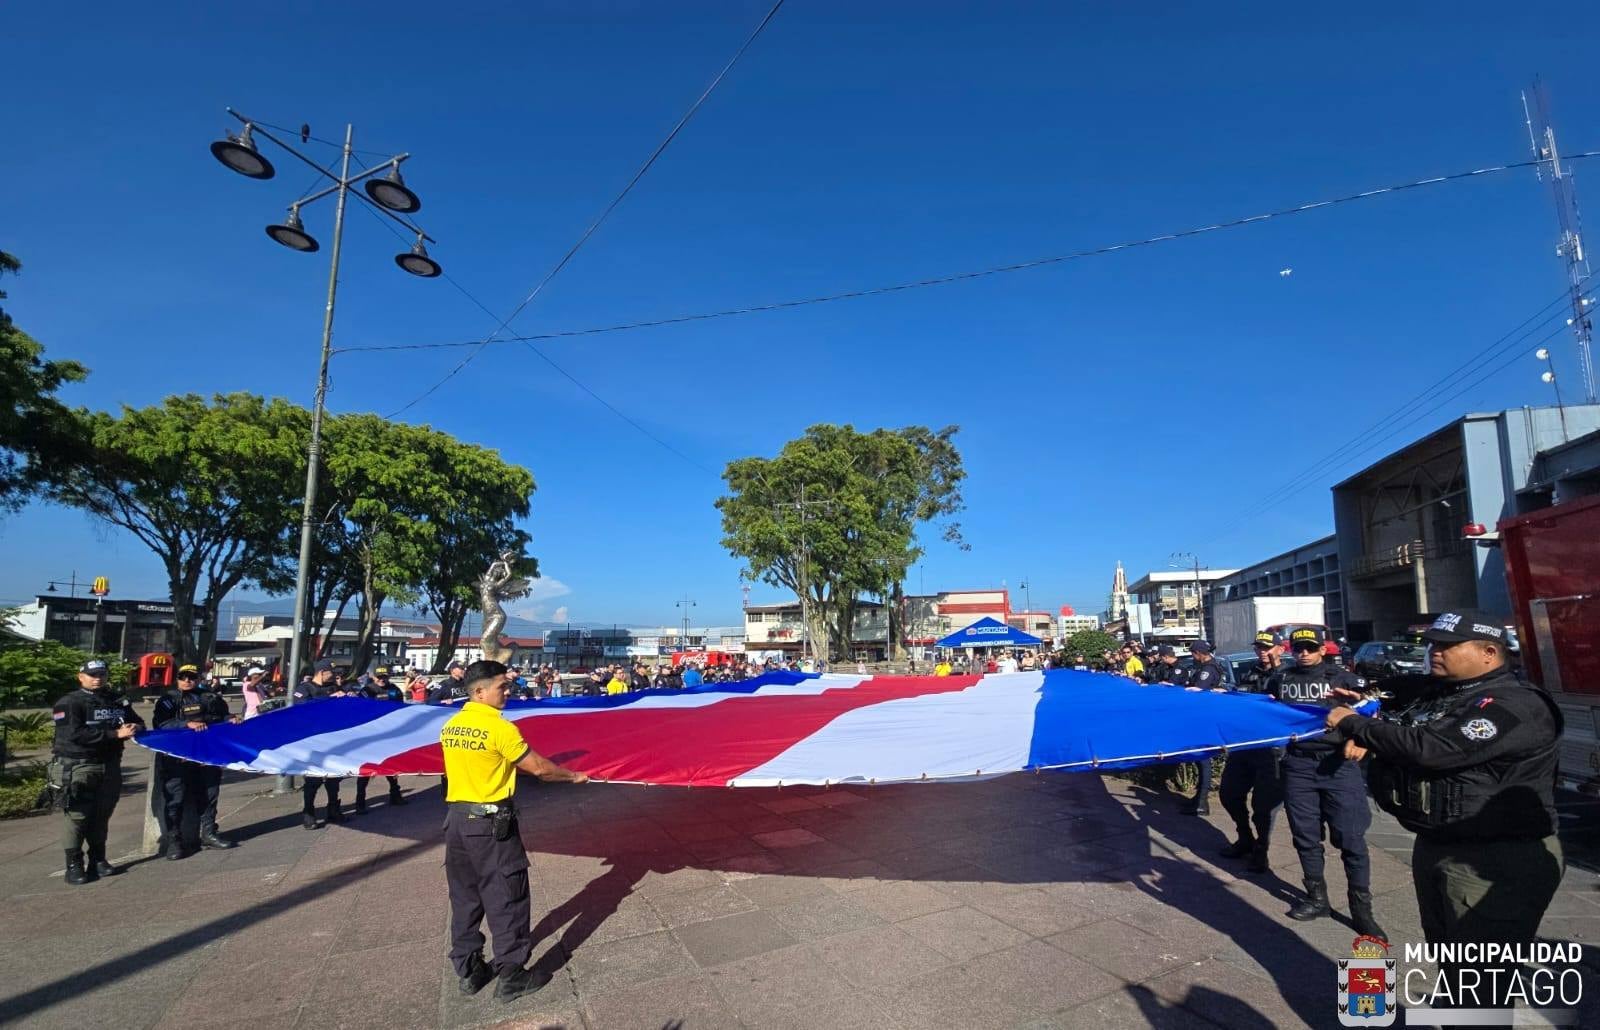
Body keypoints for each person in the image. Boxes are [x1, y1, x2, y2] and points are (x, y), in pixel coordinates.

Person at [1326, 610, 1561, 996]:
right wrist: (1369, 707)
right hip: (1440, 843)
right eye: (1434, 644)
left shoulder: (1514, 704)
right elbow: (1404, 713)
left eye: (1448, 646)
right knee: (1451, 964)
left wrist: (1355, 724)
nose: (1435, 652)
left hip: (1493, 859)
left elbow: (1436, 748)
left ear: (1489, 652)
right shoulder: (1450, 693)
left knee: (1481, 979)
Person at [441, 660, 588, 1002]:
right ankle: (511, 974)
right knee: (507, 895)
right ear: (479, 691)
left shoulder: (451, 725)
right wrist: (572, 776)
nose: (508, 692)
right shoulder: (500, 729)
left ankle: (469, 968)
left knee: (465, 897)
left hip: (457, 821)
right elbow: (539, 768)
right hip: (491, 825)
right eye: (501, 687)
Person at [1267, 626, 1384, 938]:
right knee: (1304, 836)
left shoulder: (1343, 677)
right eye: (1298, 648)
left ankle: (1362, 910)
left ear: (1322, 649)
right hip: (1298, 765)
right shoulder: (1280, 678)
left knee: (1351, 839)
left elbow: (1375, 710)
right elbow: (1266, 713)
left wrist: (1364, 738)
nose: (1304, 653)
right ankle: (1316, 898)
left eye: (1310, 647)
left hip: (1338, 766)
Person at [51, 659, 145, 885]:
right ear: (80, 676)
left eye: (101, 674)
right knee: (77, 816)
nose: (97, 678)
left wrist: (136, 727)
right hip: (78, 765)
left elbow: (136, 721)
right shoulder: (69, 702)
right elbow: (74, 734)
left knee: (102, 814)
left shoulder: (115, 700)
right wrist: (115, 735)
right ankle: (73, 865)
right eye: (92, 674)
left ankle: (98, 860)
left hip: (109, 764)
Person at [152, 664, 238, 858]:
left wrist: (231, 719)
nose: (187, 680)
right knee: (175, 799)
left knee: (209, 794)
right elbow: (160, 724)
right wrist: (186, 724)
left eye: (191, 676)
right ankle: (174, 841)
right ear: (177, 678)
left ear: (198, 678)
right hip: (177, 757)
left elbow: (221, 717)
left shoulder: (210, 697)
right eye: (183, 676)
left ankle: (209, 833)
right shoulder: (168, 700)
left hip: (206, 755)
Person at [1218, 631, 1286, 872]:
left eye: (1267, 648)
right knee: (1228, 794)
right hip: (1245, 746)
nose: (1262, 652)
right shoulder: (1250, 673)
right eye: (1258, 648)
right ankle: (1245, 837)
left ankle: (1262, 849)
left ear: (1280, 649)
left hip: (1273, 750)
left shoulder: (1288, 677)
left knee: (1263, 806)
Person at [294, 659, 348, 828]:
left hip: (332, 739)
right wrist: (329, 699)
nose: (334, 676)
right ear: (322, 672)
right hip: (313, 740)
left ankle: (333, 808)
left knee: (334, 778)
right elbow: (302, 708)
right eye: (331, 673)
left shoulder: (333, 687)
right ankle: (308, 812)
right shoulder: (304, 689)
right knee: (313, 779)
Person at [354, 665, 408, 812]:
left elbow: (402, 709)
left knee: (391, 766)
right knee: (366, 769)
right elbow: (359, 711)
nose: (382, 680)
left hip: (389, 734)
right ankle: (360, 801)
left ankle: (395, 794)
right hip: (370, 736)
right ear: (374, 677)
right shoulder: (367, 691)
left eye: (385, 677)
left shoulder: (395, 689)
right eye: (379, 677)